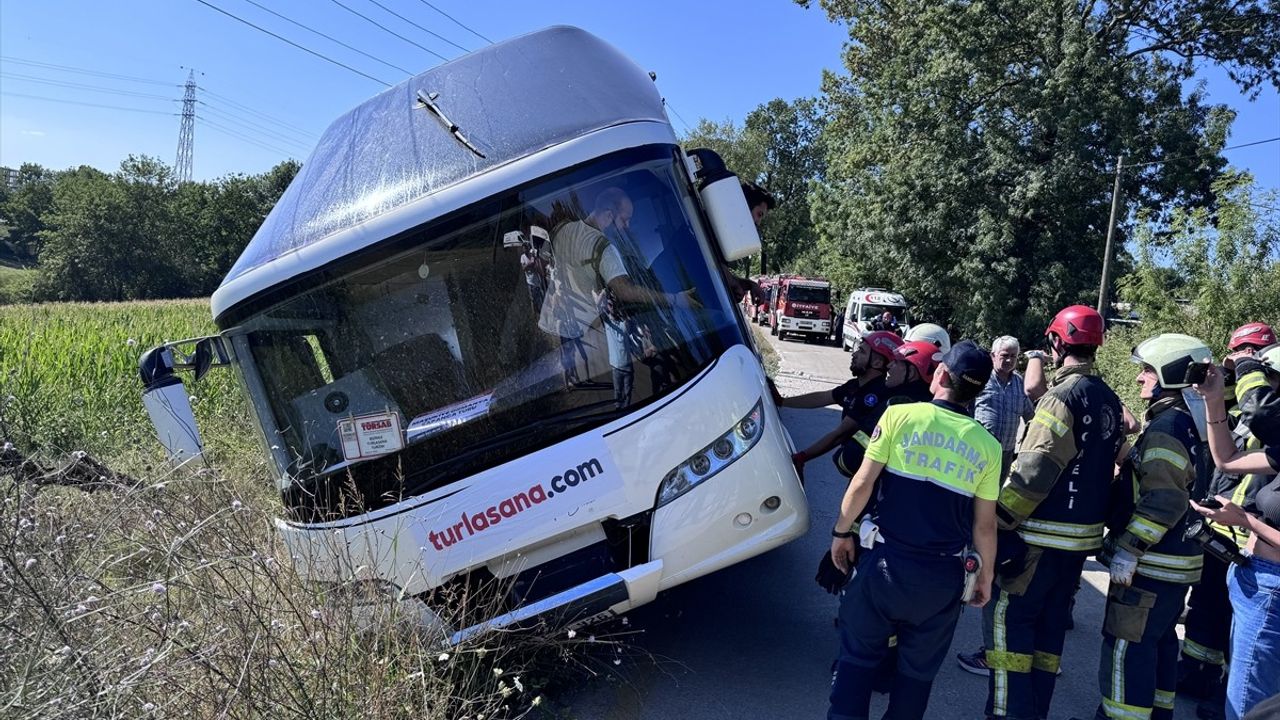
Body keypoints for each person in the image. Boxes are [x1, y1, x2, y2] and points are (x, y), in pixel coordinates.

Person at [826, 340, 1001, 720]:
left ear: (939, 374)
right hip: (942, 579)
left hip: (884, 566)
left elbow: (861, 484)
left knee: (857, 660)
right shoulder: (988, 447)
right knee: (915, 677)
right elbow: (984, 526)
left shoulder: (899, 416)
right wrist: (986, 576)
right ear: (978, 391)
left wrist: (842, 533)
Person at [971, 306, 1125, 720]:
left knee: (1007, 634)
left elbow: (1035, 470)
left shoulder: (1062, 398)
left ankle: (1005, 715)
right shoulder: (1109, 398)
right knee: (1047, 641)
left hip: (1035, 544)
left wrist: (998, 522)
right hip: (1076, 549)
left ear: (1057, 343)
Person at [1074, 333, 1212, 720]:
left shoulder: (1167, 426)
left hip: (1151, 565)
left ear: (1170, 374)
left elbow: (1165, 499)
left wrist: (1129, 549)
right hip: (1177, 564)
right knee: (1160, 643)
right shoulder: (1192, 422)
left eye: (1148, 371)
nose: (1140, 379)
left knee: (1127, 646)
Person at [1179, 326, 1279, 714]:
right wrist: (1214, 397)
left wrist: (1246, 522)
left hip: (1271, 588)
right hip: (1253, 575)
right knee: (1245, 684)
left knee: (1250, 703)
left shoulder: (1267, 418)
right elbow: (1228, 460)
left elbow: (1263, 412)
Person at [785, 331, 903, 481]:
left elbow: (841, 434)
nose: (854, 355)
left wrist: (803, 457)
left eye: (862, 351)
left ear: (877, 363)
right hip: (862, 468)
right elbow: (822, 398)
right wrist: (783, 402)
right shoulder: (856, 385)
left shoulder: (875, 395)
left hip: (872, 475)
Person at [974, 336, 1036, 481]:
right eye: (1004, 355)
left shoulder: (1020, 383)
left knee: (996, 494)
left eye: (1013, 356)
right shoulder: (982, 379)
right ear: (993, 356)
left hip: (1006, 453)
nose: (1009, 360)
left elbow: (1030, 416)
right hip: (979, 450)